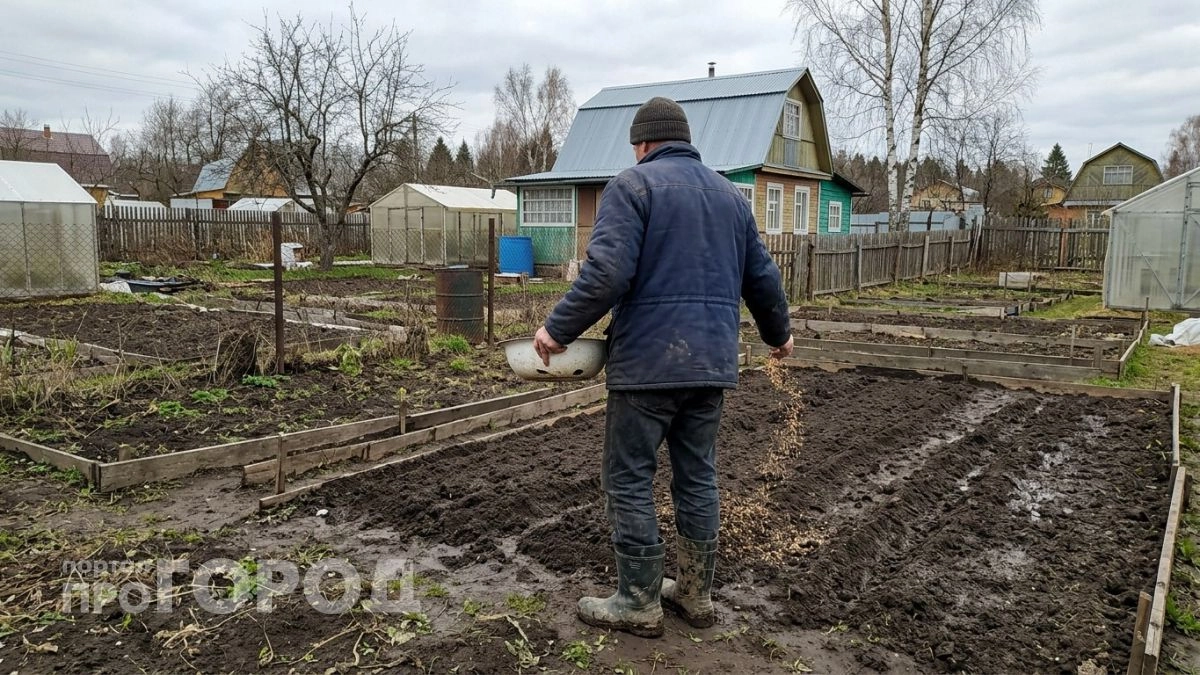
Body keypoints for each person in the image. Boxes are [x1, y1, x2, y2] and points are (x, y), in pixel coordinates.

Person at [532, 96, 794, 638]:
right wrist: (779, 334)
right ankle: (695, 594)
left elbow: (607, 274)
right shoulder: (730, 196)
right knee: (697, 476)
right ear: (684, 141)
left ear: (643, 144)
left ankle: (638, 602)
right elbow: (763, 278)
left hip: (647, 365)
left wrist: (557, 330)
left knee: (629, 477)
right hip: (711, 364)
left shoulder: (632, 187)